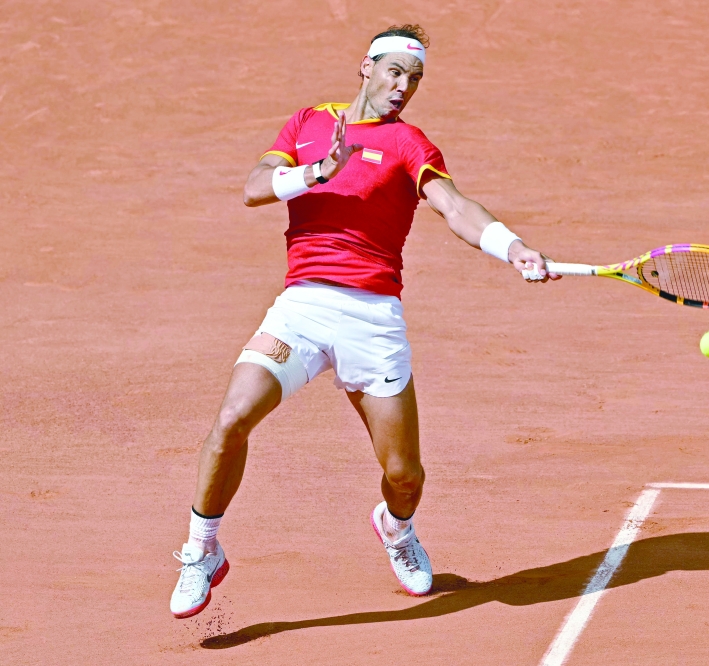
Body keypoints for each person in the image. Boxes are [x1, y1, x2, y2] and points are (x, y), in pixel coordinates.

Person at [169, 24, 557, 619]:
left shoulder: (408, 143)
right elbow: (253, 188)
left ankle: (396, 528)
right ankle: (202, 550)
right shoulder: (308, 124)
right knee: (231, 418)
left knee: (404, 475)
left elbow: (455, 207)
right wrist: (317, 172)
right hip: (301, 309)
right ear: (367, 67)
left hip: (372, 319)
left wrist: (514, 248)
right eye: (395, 72)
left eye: (414, 79)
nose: (403, 87)